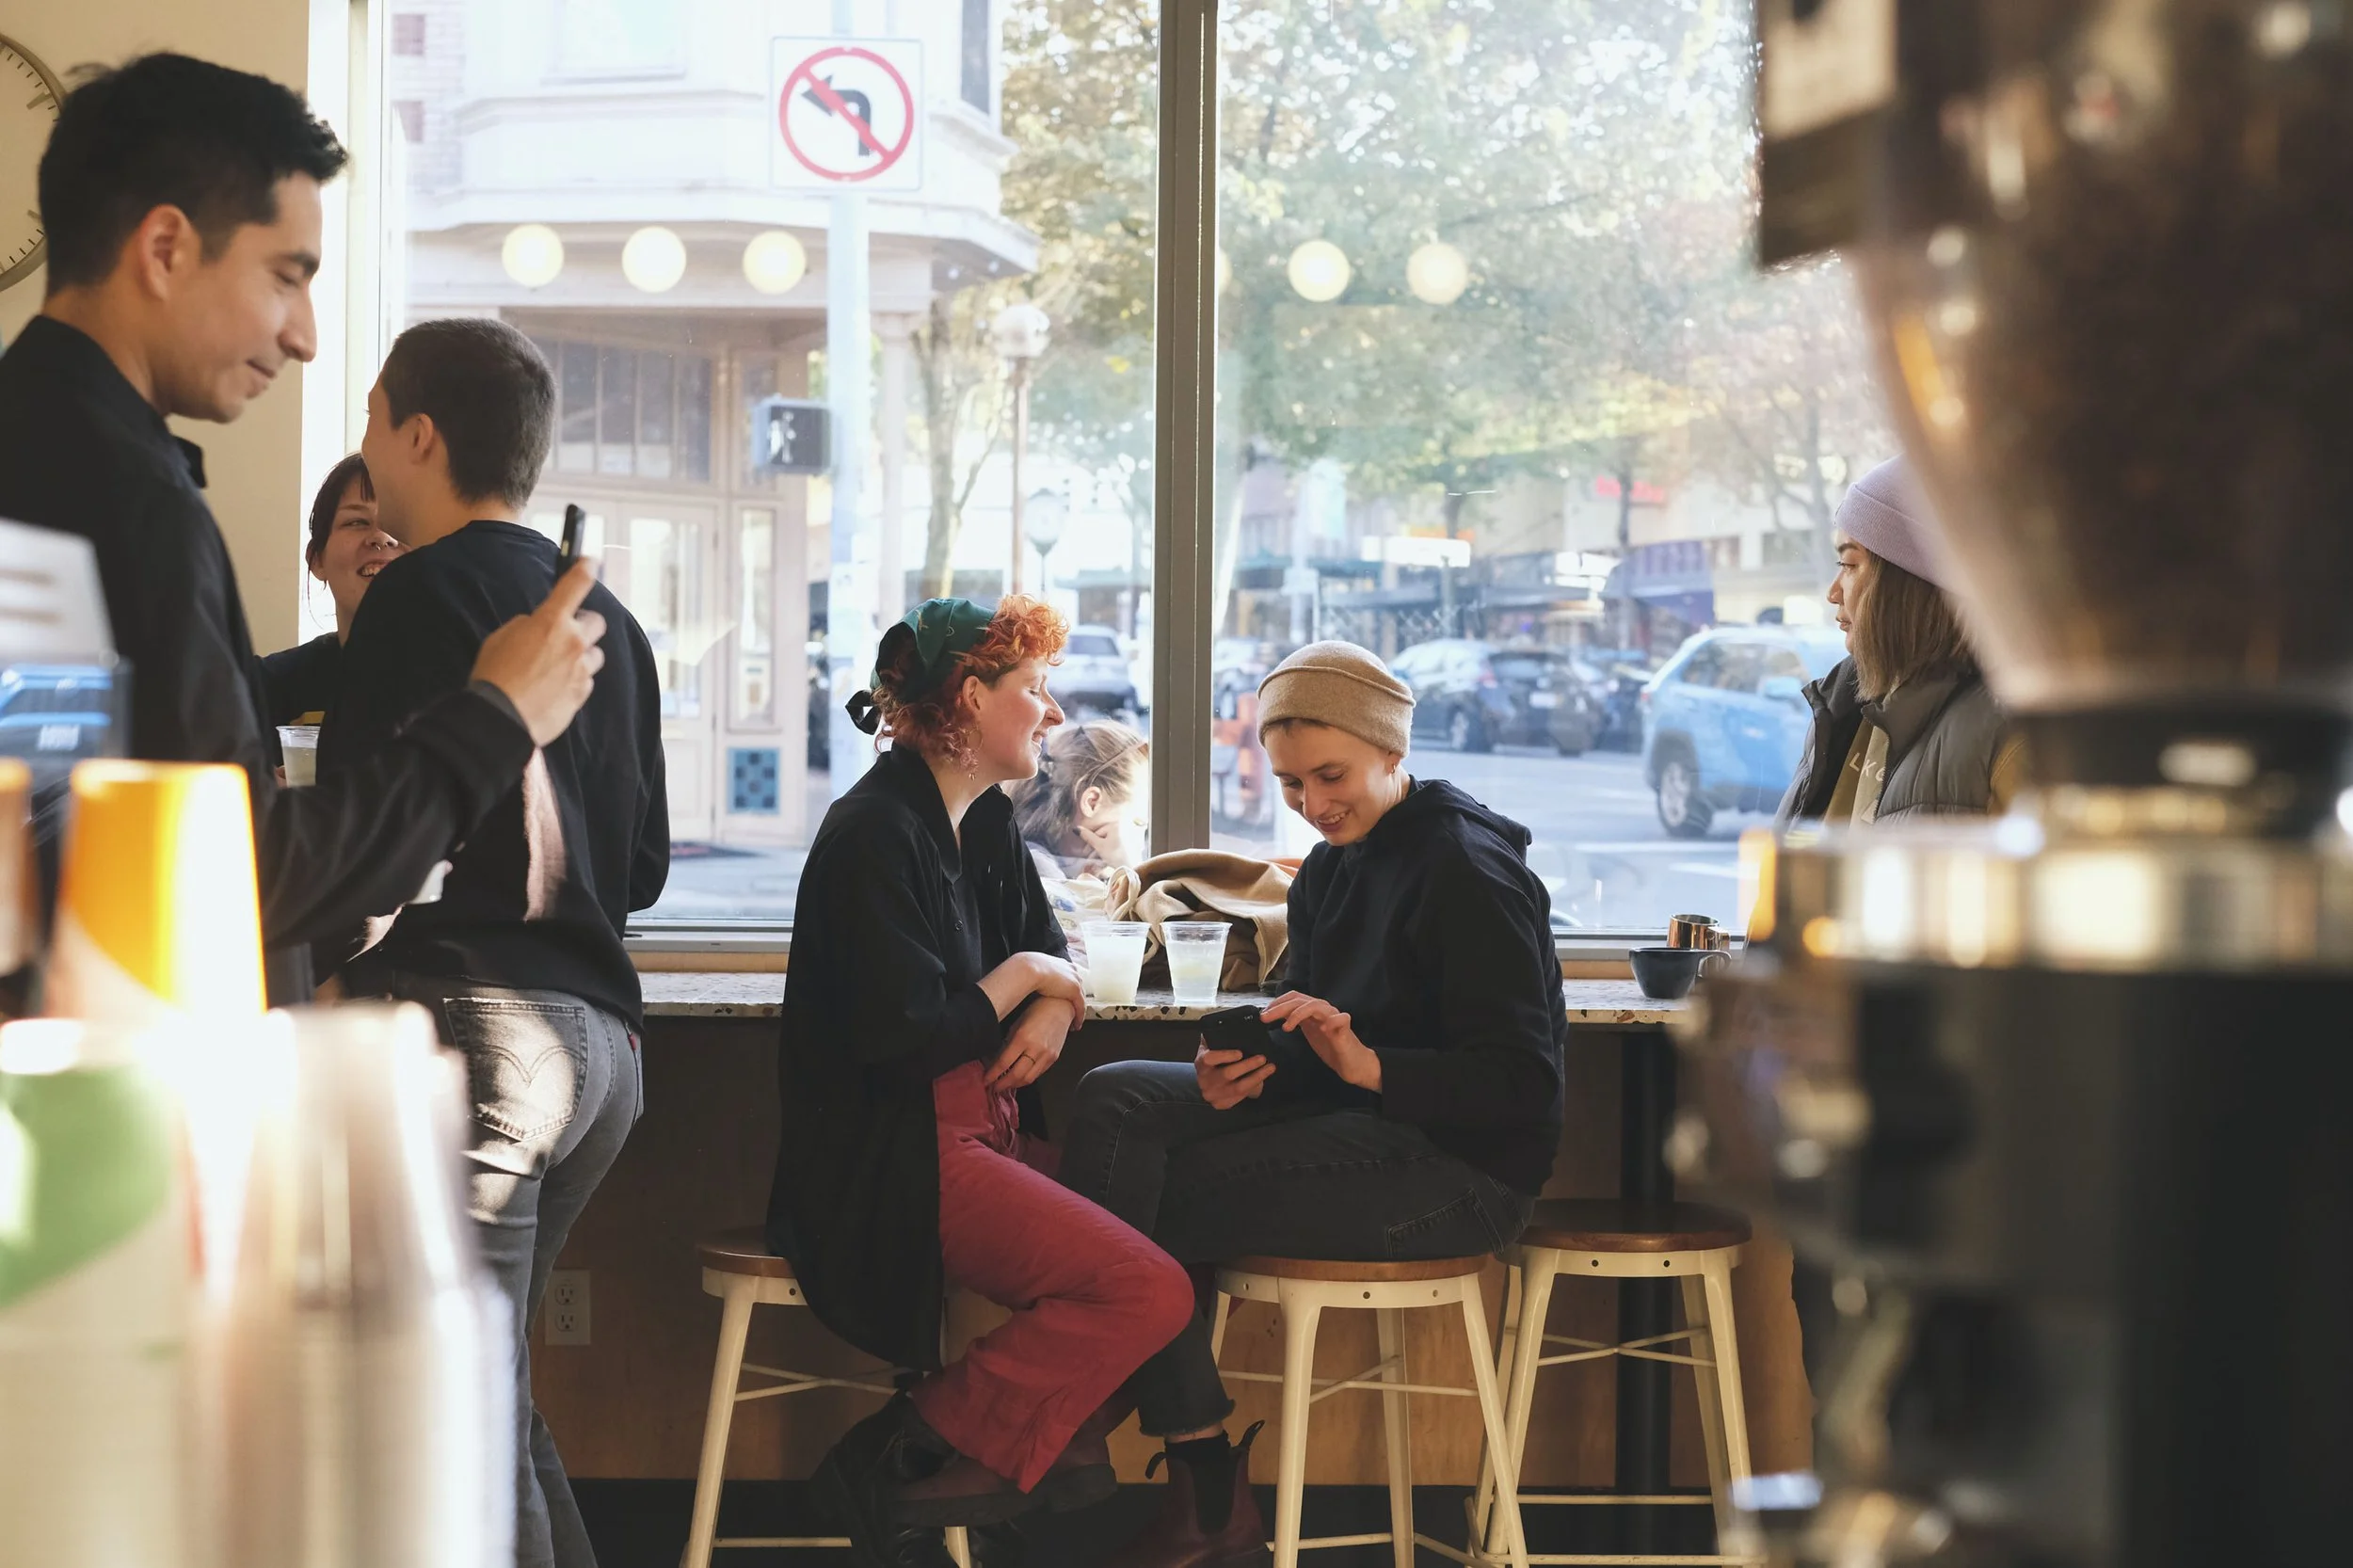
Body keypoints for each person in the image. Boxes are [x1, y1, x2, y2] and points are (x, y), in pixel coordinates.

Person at [0, 53, 605, 1004]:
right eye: (287, 276)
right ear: (164, 249)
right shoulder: (117, 496)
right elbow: (235, 871)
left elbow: (75, 835)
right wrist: (496, 717)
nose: (306, 334)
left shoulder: (45, 451)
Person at [1058, 641, 1569, 1568]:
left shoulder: (1466, 867)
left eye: (1330, 775)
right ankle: (1119, 1418)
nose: (1313, 803)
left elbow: (1522, 1088)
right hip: (1359, 1128)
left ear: (1389, 752)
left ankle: (1160, 1452)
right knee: (1115, 1096)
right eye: (1291, 783)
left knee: (1141, 1203)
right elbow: (1320, 1032)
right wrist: (1249, 1069)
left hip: (1463, 1175)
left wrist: (1369, 1067)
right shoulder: (1333, 866)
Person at [317, 317, 668, 1568]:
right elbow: (644, 865)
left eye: (367, 423)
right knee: (493, 1389)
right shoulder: (606, 616)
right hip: (604, 1057)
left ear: (416, 433)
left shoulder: (415, 592)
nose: (365, 453)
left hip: (474, 1035)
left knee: (456, 1408)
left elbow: (369, 843)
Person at [767, 598, 1196, 1568]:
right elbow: (910, 1037)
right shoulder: (873, 833)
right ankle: (910, 1440)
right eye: (1031, 689)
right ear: (968, 698)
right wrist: (1028, 980)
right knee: (1148, 1288)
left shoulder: (983, 823)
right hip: (899, 1161)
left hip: (980, 1134)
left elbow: (1052, 952)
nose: (1048, 714)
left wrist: (1054, 996)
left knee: (1191, 1235)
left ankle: (1014, 1448)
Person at [1776, 457, 2025, 831]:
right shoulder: (1840, 707)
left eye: (1850, 565)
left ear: (1906, 585)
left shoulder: (2007, 736)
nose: (1832, 593)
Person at [259, 452, 401, 724]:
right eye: (356, 522)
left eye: (397, 521)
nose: (381, 537)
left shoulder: (469, 682)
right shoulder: (270, 686)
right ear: (317, 559)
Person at [1008, 717, 1150, 878]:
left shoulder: (1074, 868)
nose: (1143, 839)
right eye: (1138, 822)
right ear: (1092, 802)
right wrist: (1129, 868)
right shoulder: (1039, 869)